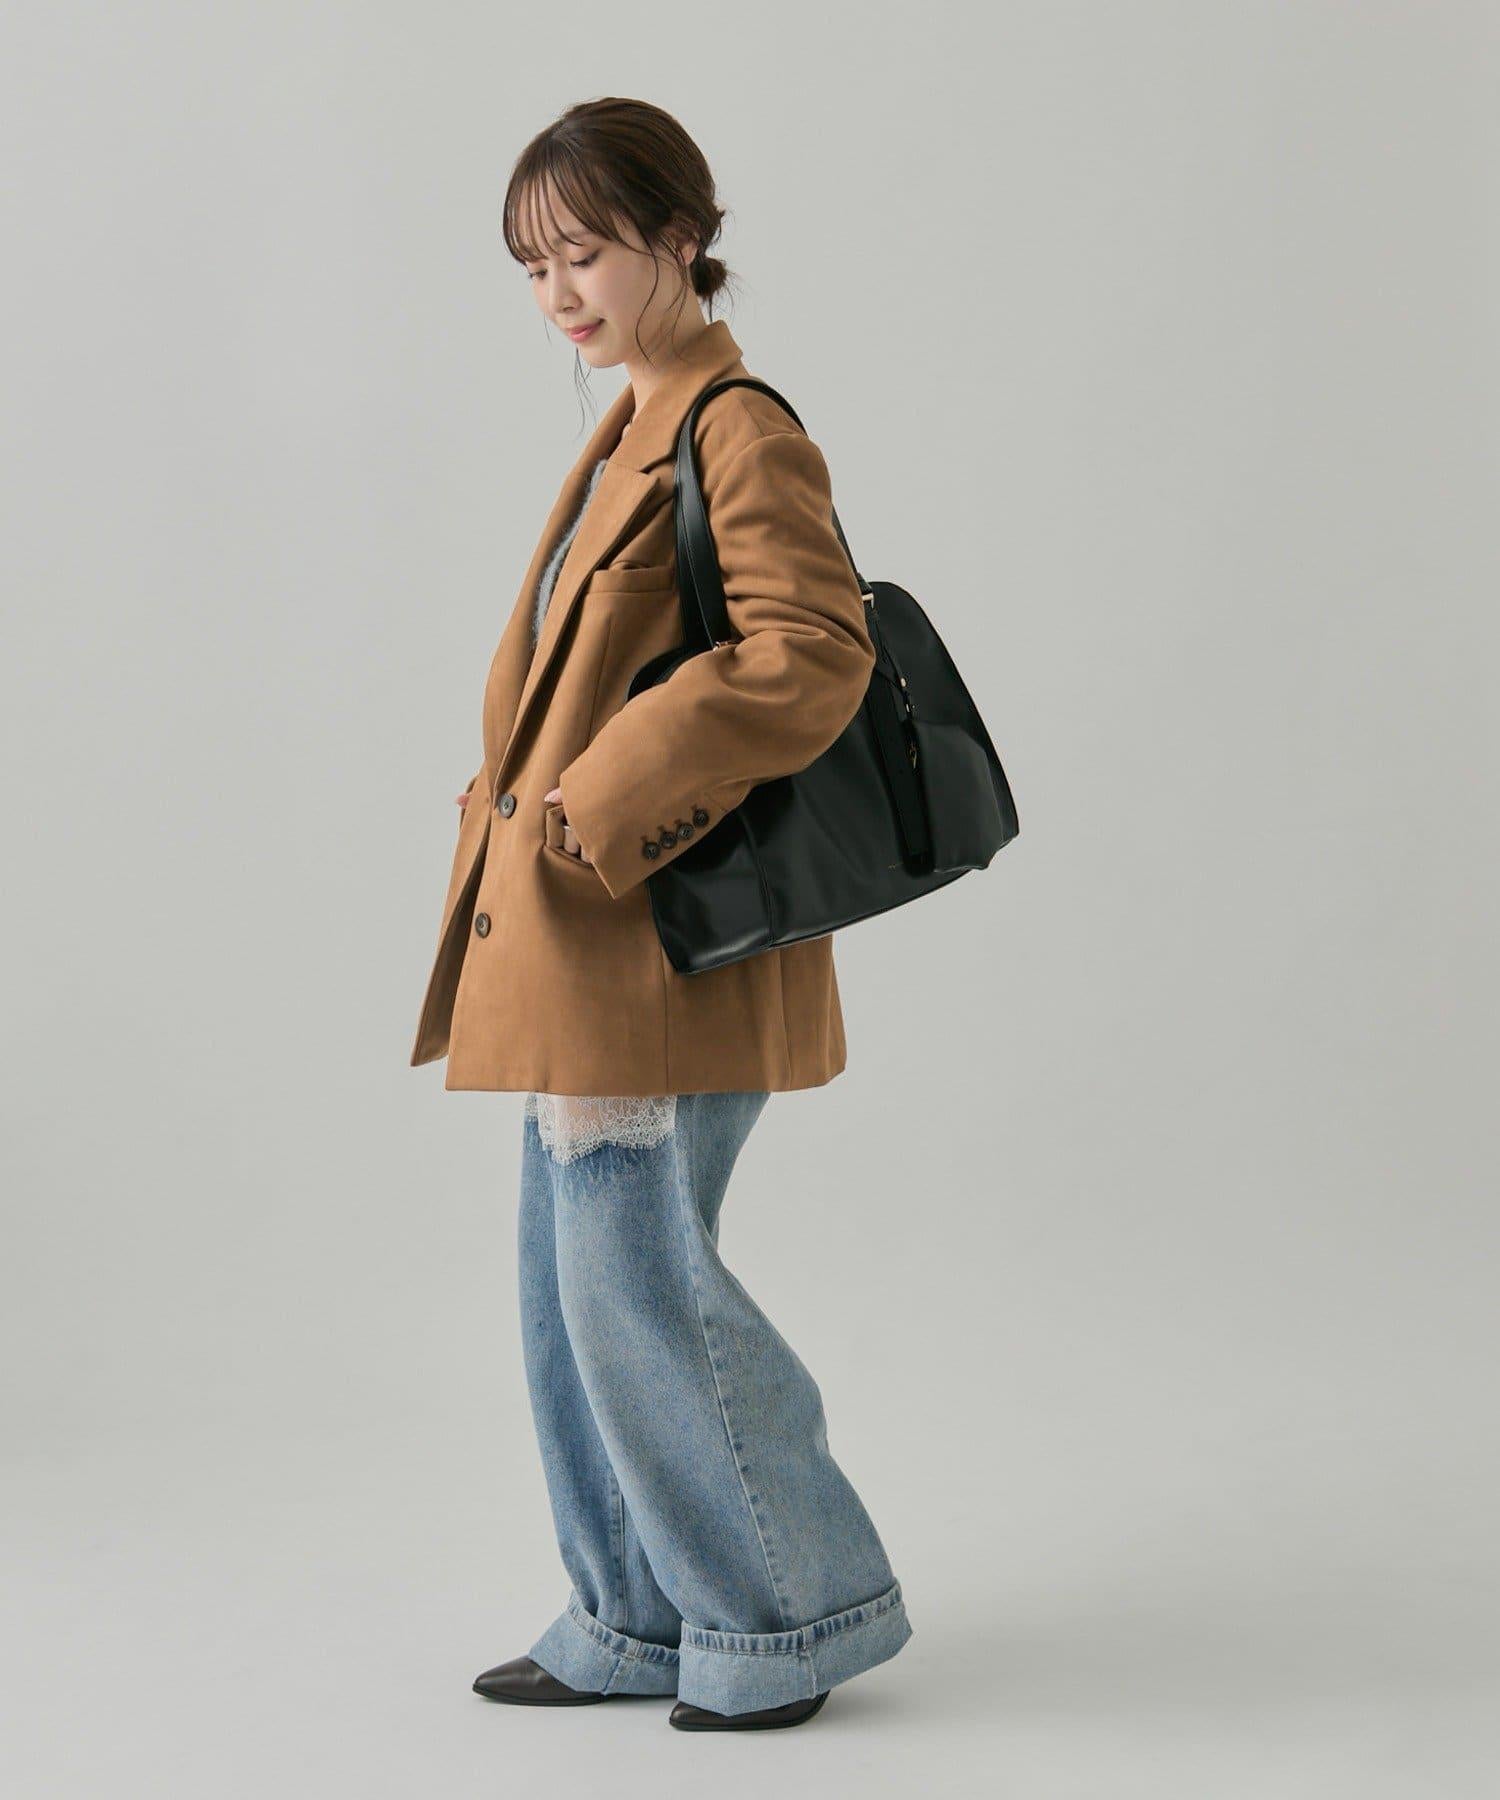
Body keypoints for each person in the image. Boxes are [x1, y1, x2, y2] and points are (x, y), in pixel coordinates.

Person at [410, 97, 912, 1733]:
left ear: (681, 238)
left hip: (662, 942)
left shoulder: (732, 422)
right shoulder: (634, 417)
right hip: (585, 934)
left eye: (586, 253)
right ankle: (632, 1613)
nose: (558, 293)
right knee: (575, 1292)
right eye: (532, 265)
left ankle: (784, 1615)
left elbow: (812, 650)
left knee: (635, 1287)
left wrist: (599, 792)